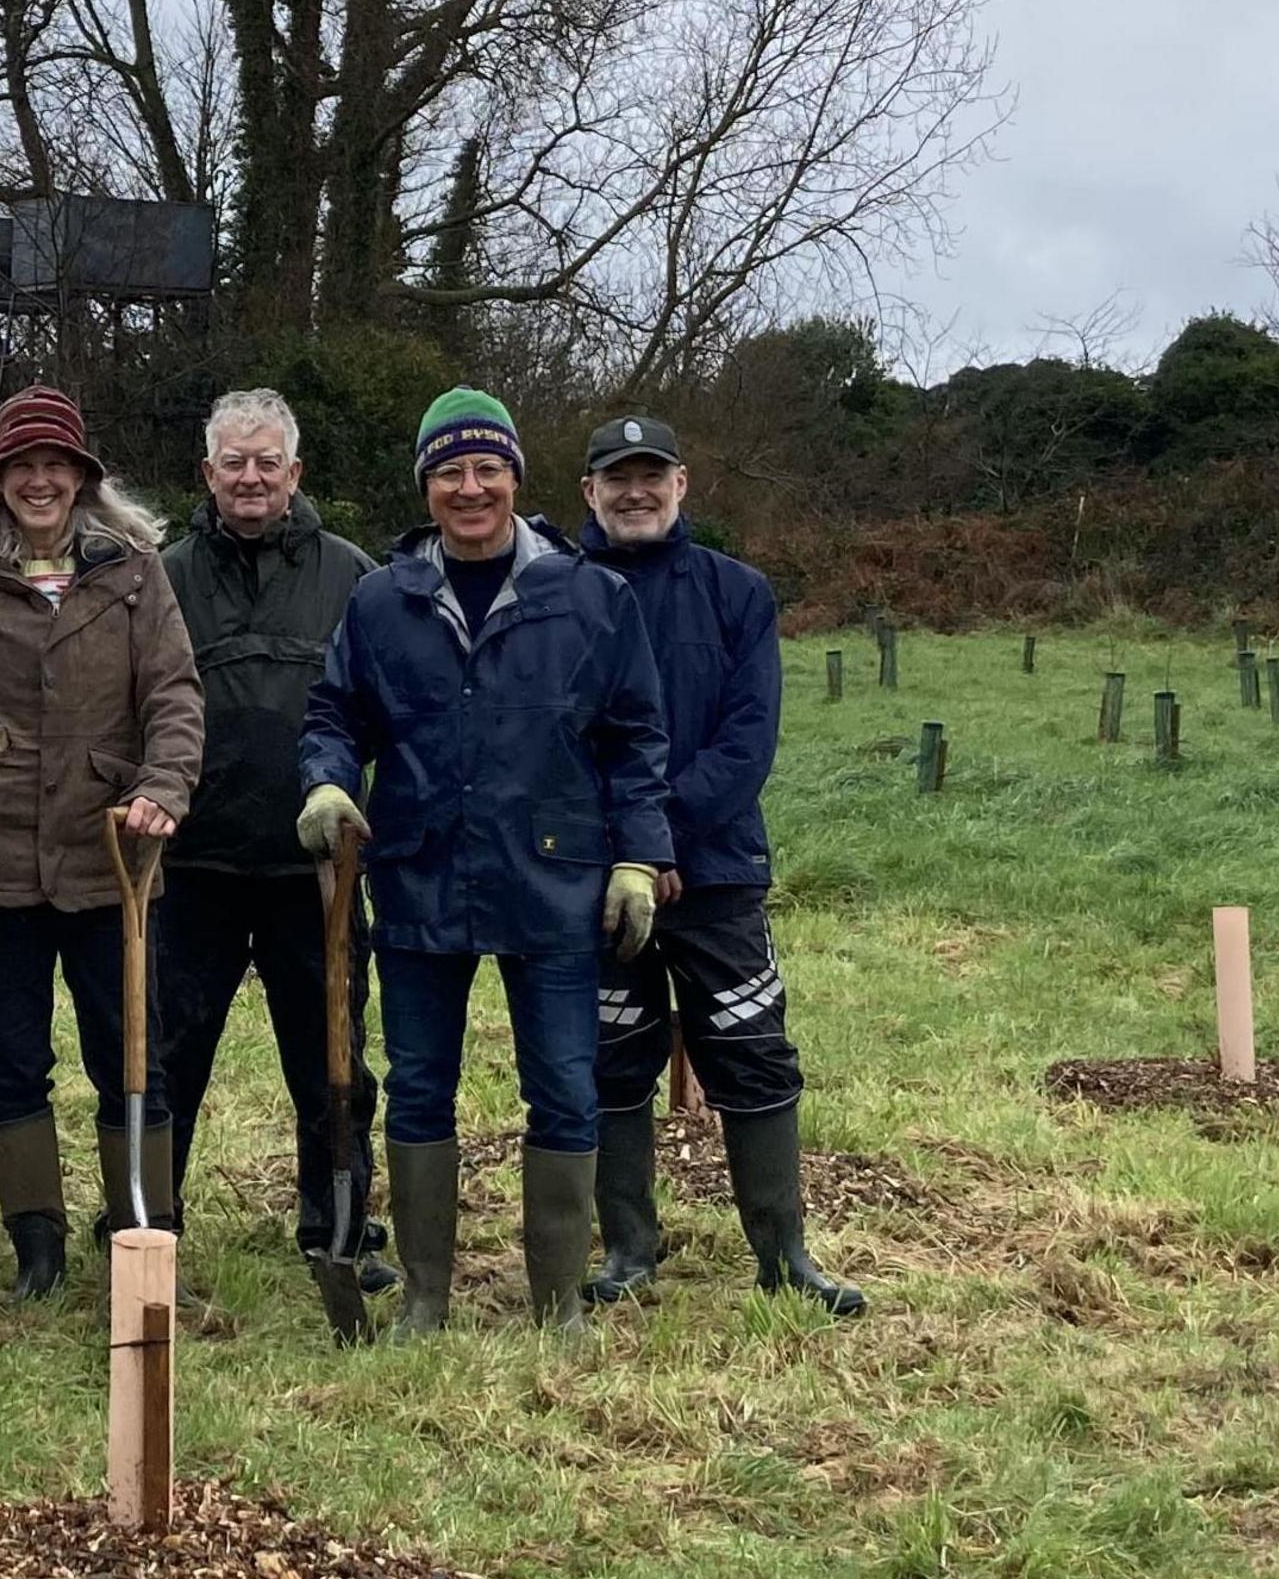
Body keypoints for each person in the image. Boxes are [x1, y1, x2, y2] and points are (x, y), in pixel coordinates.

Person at [296, 388, 671, 1335]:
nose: (470, 488)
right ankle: (425, 1295)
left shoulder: (591, 597)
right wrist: (329, 783)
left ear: (516, 478)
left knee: (565, 1085)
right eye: (449, 471)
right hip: (421, 873)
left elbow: (635, 738)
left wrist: (638, 858)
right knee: (421, 1083)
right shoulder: (383, 602)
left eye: (487, 468)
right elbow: (337, 714)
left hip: (554, 880)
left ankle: (557, 1304)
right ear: (426, 486)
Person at [0, 385, 203, 1301]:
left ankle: (141, 1227)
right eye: (21, 466)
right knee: (9, 1058)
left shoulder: (136, 575)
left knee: (130, 1052)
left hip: (109, 860)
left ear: (81, 478)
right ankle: (38, 1246)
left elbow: (176, 698)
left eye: (55, 466)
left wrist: (161, 786)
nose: (39, 480)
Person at [576, 415, 865, 1315]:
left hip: (717, 871)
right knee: (610, 1058)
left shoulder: (739, 593)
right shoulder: (560, 591)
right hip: (600, 879)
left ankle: (785, 1257)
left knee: (752, 1054)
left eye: (650, 475)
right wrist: (624, 845)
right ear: (588, 492)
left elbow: (749, 738)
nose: (635, 492)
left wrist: (656, 834)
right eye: (616, 478)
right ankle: (629, 1251)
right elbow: (550, 734)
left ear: (683, 484)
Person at [151, 388, 390, 1291]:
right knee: (169, 1050)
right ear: (207, 474)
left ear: (294, 474)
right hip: (194, 864)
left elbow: (380, 709)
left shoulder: (352, 574)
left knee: (330, 1053)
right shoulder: (164, 575)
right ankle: (150, 1221)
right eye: (232, 462)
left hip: (314, 869)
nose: (250, 478)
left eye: (267, 462)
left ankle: (338, 1222)